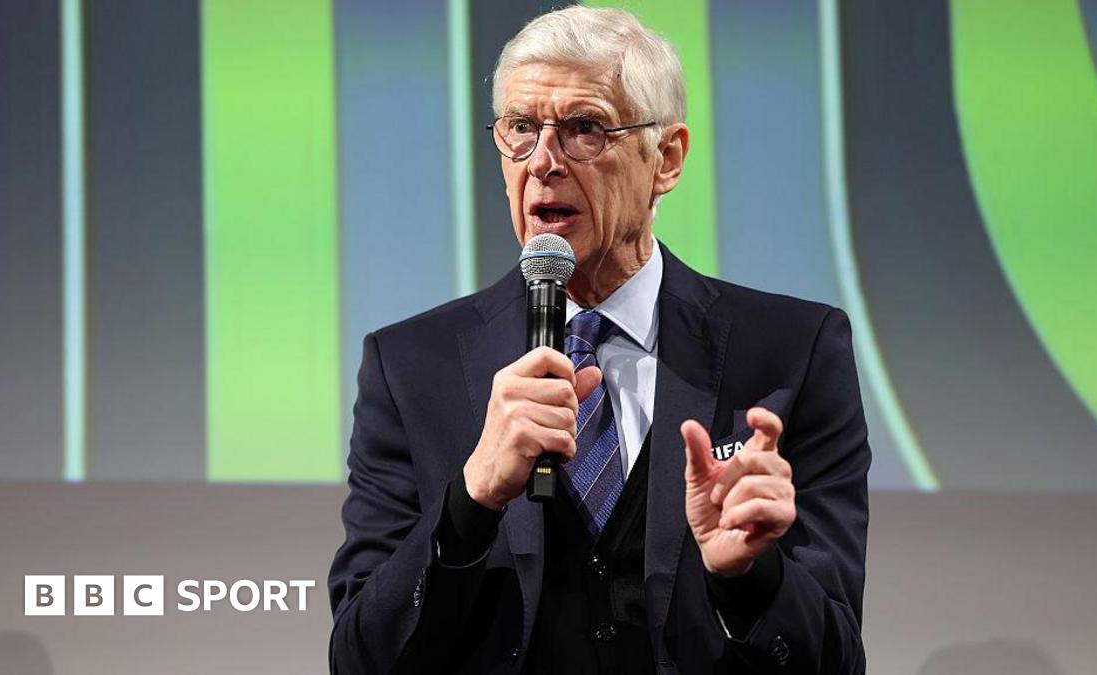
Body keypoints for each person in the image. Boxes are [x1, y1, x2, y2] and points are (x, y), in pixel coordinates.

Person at [328, 6, 869, 673]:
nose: (545, 161)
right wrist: (471, 500)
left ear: (666, 159)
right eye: (521, 129)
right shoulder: (411, 367)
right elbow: (361, 656)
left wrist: (750, 577)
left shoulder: (793, 352)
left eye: (585, 129)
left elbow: (837, 660)